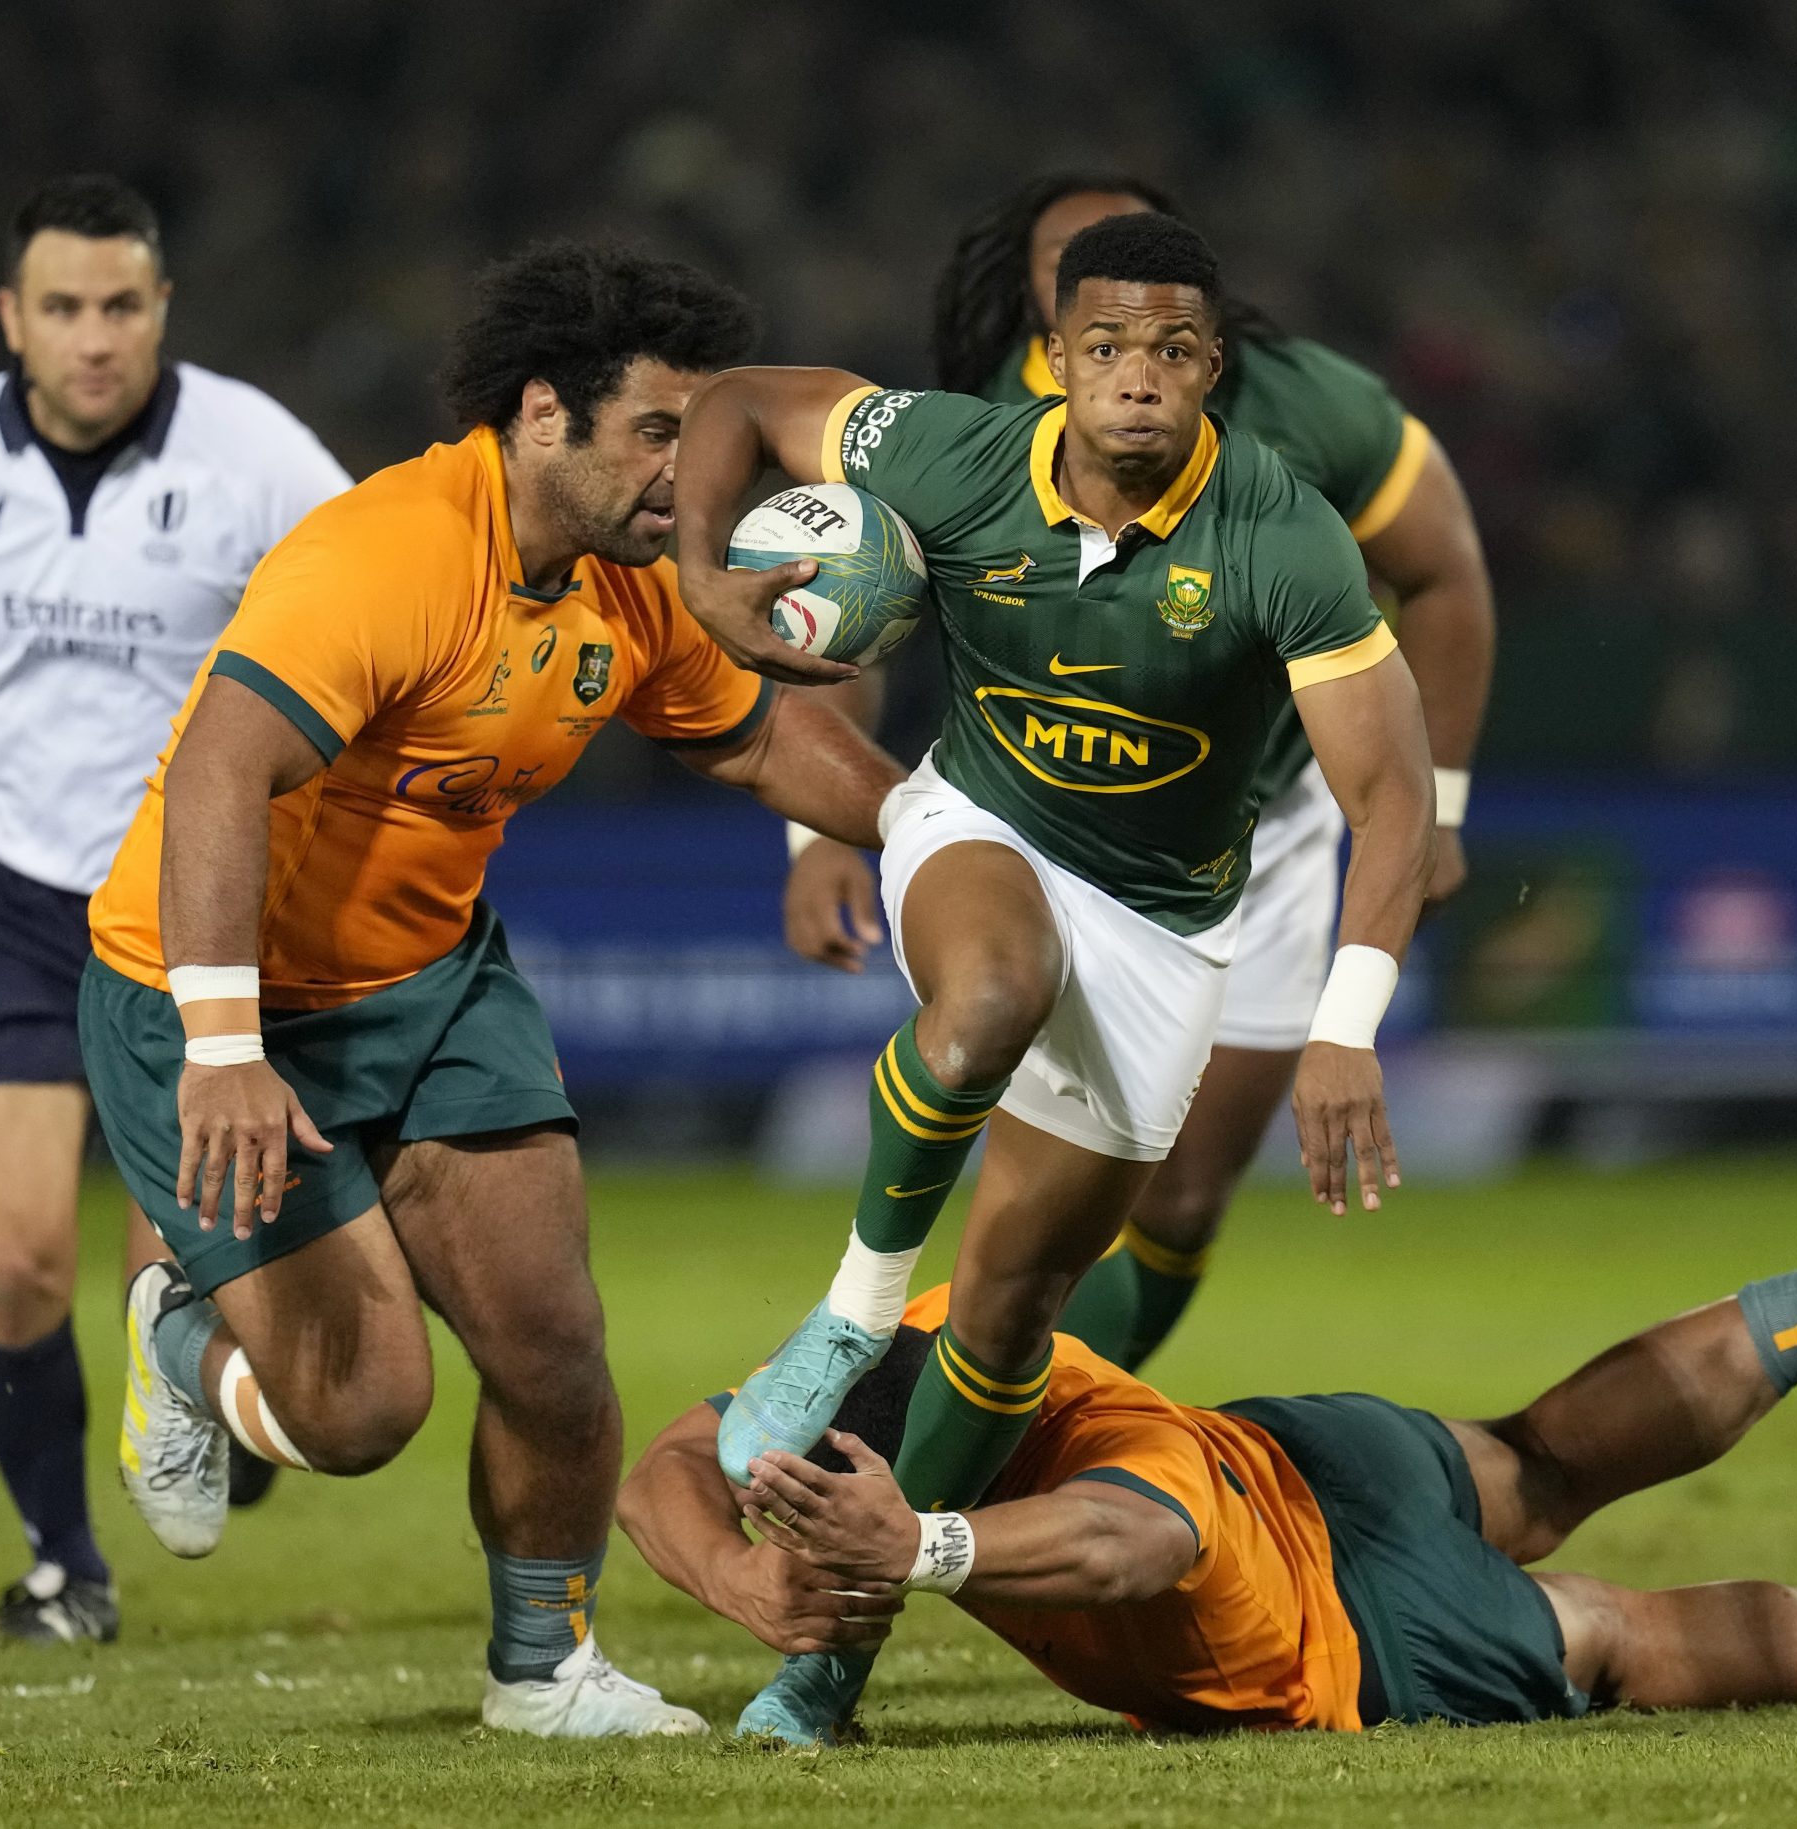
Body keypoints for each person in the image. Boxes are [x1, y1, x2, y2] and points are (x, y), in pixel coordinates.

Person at [81, 240, 907, 1738]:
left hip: (434, 982)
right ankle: (177, 1337)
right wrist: (218, 1042)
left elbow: (757, 742)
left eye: (700, 435)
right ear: (544, 416)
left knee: (551, 1344)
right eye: (658, 432)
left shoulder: (639, 577)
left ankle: (541, 1675)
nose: (688, 470)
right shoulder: (386, 553)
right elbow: (218, 770)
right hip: (211, 995)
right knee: (359, 1413)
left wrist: (943, 836)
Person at [671, 211, 1435, 1739]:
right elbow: (739, 403)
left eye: (1168, 351)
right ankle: (845, 1316)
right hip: (976, 823)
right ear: (1059, 360)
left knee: (1013, 1316)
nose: (1134, 379)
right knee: (989, 995)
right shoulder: (953, 454)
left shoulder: (1282, 536)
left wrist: (1346, 1027)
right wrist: (700, 576)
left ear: (1212, 369)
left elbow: (1392, 797)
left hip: (1163, 926)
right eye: (1104, 348)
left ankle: (834, 1665)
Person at [620, 1169, 1797, 1741]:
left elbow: (1133, 1545)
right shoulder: (929, 1335)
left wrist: (919, 1552)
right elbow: (662, 1468)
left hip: (1353, 1629)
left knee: (1613, 1638)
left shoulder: (1074, 1477)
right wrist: (753, 1591)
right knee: (1545, 1457)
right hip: (1319, 1457)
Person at [784, 173, 1498, 1371]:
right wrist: (813, 837)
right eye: (1085, 299)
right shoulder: (973, 429)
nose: (1132, 351)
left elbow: (1447, 574)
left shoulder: (1310, 410)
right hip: (1033, 820)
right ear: (1046, 311)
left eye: (1166, 327)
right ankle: (889, 1378)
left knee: (1174, 1198)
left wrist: (1444, 806)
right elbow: (849, 608)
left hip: (1258, 843)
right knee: (1014, 1161)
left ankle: (1026, 1419)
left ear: (1207, 340)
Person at [0, 173, 349, 1646]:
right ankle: (63, 1564)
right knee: (13, 1257)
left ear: (161, 309)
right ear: (11, 319)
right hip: (21, 901)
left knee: (172, 1270)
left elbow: (378, 621)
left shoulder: (258, 456)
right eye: (63, 309)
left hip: (199, 914)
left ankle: (210, 1379)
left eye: (120, 306)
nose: (93, 338)